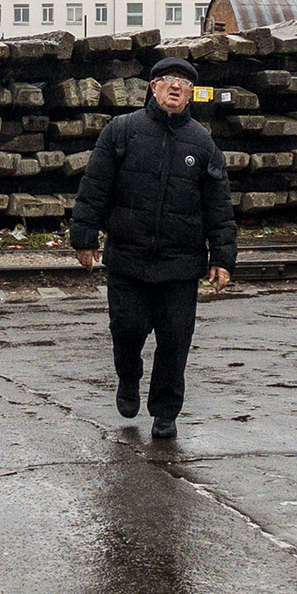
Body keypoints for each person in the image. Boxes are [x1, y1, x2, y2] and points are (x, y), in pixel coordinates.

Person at [69, 56, 236, 440]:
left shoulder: (202, 142)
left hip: (180, 264)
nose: (175, 87)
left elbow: (219, 206)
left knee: (176, 340)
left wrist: (223, 258)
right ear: (152, 87)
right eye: (167, 80)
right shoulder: (122, 131)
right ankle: (128, 379)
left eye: (183, 82)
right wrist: (84, 238)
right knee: (127, 330)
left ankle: (165, 411)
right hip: (128, 258)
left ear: (191, 93)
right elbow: (95, 187)